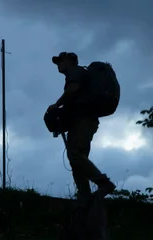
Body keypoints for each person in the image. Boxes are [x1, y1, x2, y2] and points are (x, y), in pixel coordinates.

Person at [47, 52, 116, 207]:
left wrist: (56, 105)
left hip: (84, 120)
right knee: (76, 159)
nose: (58, 64)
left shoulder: (75, 71)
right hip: (82, 120)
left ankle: (104, 183)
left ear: (70, 61)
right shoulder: (78, 72)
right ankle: (84, 196)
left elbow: (72, 89)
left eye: (60, 61)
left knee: (76, 154)